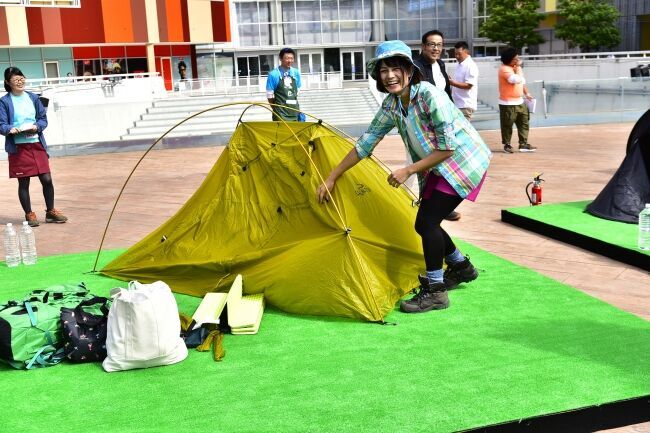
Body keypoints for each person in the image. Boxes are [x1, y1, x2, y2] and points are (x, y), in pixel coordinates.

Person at [316, 41, 491, 314]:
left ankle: (436, 291)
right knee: (426, 222)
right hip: (437, 167)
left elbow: (448, 148)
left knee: (426, 222)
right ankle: (461, 266)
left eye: (395, 68)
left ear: (409, 70)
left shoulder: (429, 95)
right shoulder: (392, 104)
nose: (389, 76)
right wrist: (332, 177)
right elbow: (366, 142)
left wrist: (408, 170)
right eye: (383, 70)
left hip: (462, 162)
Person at [0, 67, 68, 227]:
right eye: (15, 79)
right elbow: (2, 125)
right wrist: (10, 129)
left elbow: (43, 119)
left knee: (47, 179)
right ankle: (29, 214)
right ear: (8, 83)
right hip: (18, 147)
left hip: (36, 143)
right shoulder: (4, 102)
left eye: (21, 78)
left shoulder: (33, 97)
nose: (20, 81)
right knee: (24, 182)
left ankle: (51, 212)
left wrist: (37, 127)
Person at [413, 30, 460, 222]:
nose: (436, 48)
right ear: (423, 46)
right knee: (424, 167)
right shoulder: (415, 67)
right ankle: (426, 207)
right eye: (432, 44)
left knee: (443, 166)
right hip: (424, 126)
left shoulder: (440, 64)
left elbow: (446, 93)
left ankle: (439, 206)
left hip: (442, 121)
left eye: (439, 45)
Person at [498, 47, 536, 153]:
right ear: (509, 59)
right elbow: (515, 80)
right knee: (507, 124)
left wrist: (527, 93)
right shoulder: (504, 69)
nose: (518, 60)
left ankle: (523, 144)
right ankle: (507, 144)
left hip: (520, 101)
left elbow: (522, 82)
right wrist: (518, 68)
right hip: (507, 103)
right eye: (516, 59)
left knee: (524, 122)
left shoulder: (516, 68)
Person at [266, 47, 302, 121]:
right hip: (280, 114)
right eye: (287, 58)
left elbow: (297, 92)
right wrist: (277, 109)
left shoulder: (296, 73)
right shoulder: (273, 74)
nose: (289, 61)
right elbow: (270, 96)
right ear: (280, 58)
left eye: (291, 58)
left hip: (294, 112)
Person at [449, 41, 479, 121]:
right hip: (458, 104)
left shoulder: (471, 65)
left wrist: (452, 82)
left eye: (459, 54)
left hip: (465, 105)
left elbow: (469, 85)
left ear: (466, 52)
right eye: (455, 54)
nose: (457, 56)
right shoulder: (460, 64)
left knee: (463, 128)